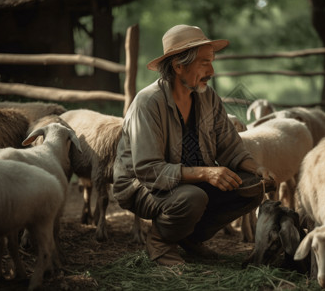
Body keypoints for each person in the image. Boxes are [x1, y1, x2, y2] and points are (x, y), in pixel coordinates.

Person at [112, 24, 277, 266]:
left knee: (251, 188)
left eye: (212, 61)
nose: (211, 71)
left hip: (191, 183)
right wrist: (205, 173)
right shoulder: (148, 103)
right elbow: (148, 170)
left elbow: (230, 147)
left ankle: (187, 237)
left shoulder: (208, 97)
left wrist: (257, 169)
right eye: (204, 63)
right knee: (192, 198)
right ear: (179, 66)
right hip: (142, 185)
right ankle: (160, 242)